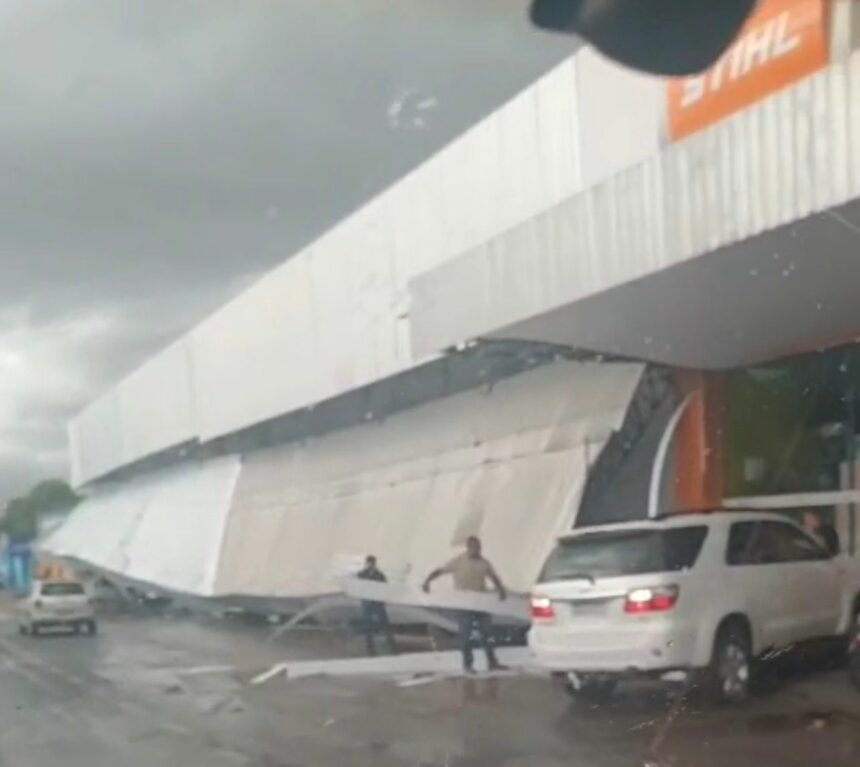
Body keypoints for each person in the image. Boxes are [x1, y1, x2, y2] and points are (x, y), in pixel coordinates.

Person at [422, 535, 507, 673]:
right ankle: (468, 665)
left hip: (480, 604)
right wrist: (427, 581)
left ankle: (492, 662)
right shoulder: (459, 561)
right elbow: (440, 571)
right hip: (464, 605)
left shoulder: (484, 563)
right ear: (468, 548)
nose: (477, 550)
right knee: (466, 636)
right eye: (474, 548)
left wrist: (501, 590)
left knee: (487, 634)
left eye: (479, 548)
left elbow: (494, 577)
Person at [356, 555, 397, 656]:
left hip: (378, 603)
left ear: (375, 563)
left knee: (385, 625)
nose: (370, 565)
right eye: (369, 563)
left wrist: (383, 599)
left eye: (372, 563)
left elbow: (385, 587)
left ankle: (392, 647)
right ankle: (370, 649)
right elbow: (358, 587)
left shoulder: (380, 575)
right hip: (367, 603)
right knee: (367, 626)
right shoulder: (361, 574)